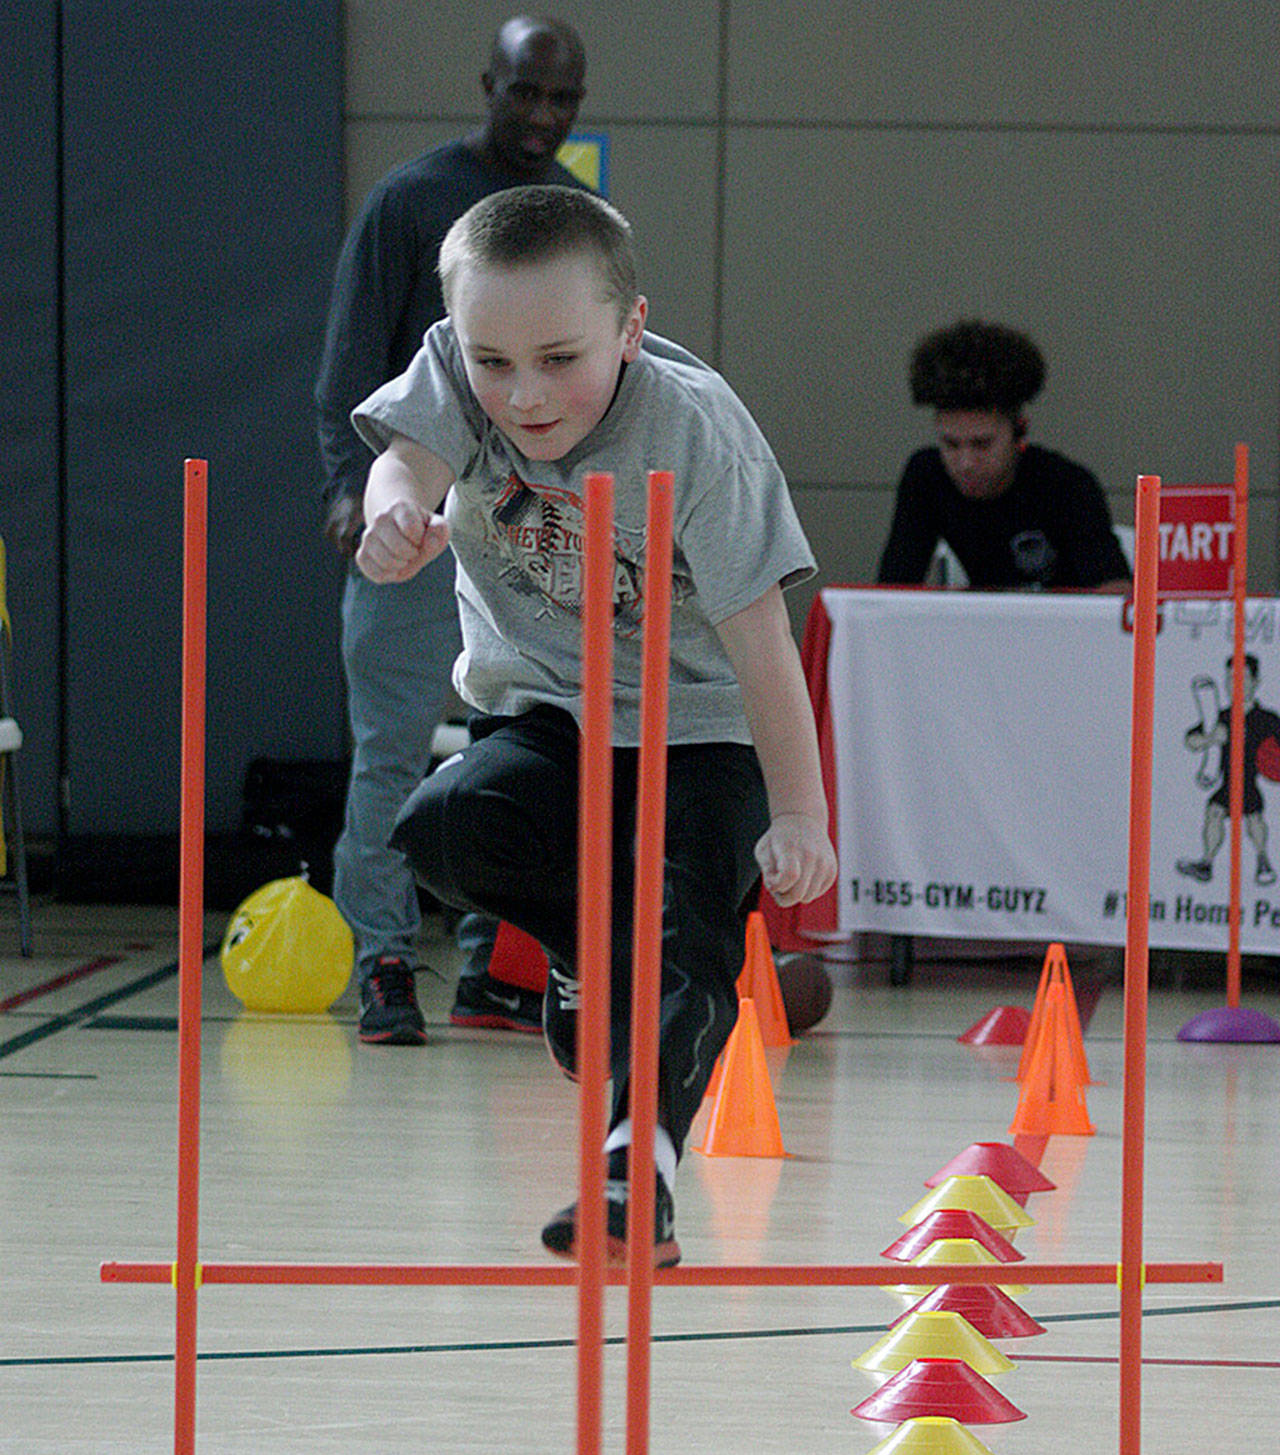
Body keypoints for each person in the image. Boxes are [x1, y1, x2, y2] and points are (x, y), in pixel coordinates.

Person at [351, 185, 836, 1261]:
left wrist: (798, 812)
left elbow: (761, 640)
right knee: (442, 826)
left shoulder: (696, 430)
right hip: (547, 712)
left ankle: (634, 1181)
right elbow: (409, 460)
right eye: (492, 363)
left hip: (697, 727)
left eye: (559, 359)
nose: (522, 396)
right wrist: (395, 504)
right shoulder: (457, 369)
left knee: (680, 941)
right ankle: (579, 955)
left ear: (630, 328)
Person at [315, 15, 589, 1044]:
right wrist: (352, 486)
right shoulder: (412, 202)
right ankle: (386, 961)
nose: (541, 116)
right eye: (524, 94)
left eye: (561, 99)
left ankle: (490, 966)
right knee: (389, 753)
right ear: (489, 84)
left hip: (527, 538)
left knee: (514, 750)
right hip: (411, 520)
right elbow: (351, 360)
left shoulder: (580, 218)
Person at [876, 319, 1132, 593]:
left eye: (982, 444)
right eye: (950, 444)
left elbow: (1116, 592)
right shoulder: (926, 475)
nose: (966, 463)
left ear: (1019, 435)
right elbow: (893, 587)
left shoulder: (1067, 485)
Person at [1176, 654, 1280, 886]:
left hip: (1248, 782)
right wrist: (1211, 738)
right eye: (1231, 679)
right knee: (1213, 812)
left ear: (1256, 681)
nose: (1236, 685)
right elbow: (1190, 740)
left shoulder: (1266, 719)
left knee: (1254, 819)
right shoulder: (1220, 717)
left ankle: (1263, 861)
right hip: (1227, 783)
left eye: (1242, 679)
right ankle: (1207, 863)